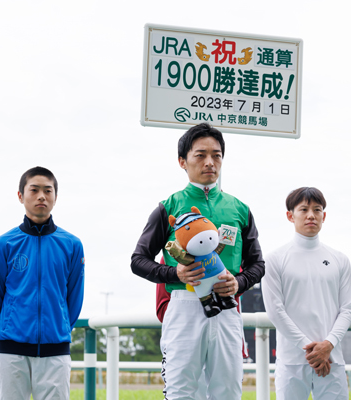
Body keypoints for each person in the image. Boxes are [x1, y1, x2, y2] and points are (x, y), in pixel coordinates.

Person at [131, 123, 265, 399]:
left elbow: (258, 265)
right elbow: (138, 260)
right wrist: (175, 273)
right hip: (183, 306)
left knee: (228, 391)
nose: (210, 162)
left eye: (216, 155)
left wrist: (238, 282)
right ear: (183, 161)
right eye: (200, 155)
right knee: (181, 391)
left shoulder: (240, 209)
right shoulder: (169, 206)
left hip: (228, 308)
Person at [0, 166, 85, 400]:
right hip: (12, 349)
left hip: (56, 350)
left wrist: (57, 326)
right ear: (21, 196)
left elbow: (74, 297)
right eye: (34, 190)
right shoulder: (3, 243)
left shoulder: (72, 244)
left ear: (55, 197)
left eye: (47, 191)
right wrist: (11, 326)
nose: (41, 196)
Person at [262, 187, 351, 400]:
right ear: (290, 216)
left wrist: (328, 345)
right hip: (291, 361)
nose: (311, 215)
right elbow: (275, 311)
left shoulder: (340, 259)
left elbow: (347, 309)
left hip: (332, 359)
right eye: (304, 209)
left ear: (324, 216)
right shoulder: (274, 259)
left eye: (317, 210)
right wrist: (313, 350)